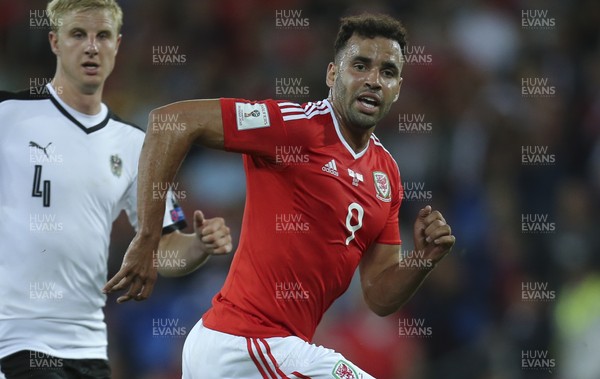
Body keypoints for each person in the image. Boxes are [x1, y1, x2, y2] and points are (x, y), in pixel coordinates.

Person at [105, 13, 455, 379]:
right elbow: (169, 123)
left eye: (387, 72)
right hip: (244, 342)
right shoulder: (296, 127)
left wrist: (423, 260)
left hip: (265, 351)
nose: (373, 80)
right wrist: (147, 237)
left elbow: (379, 295)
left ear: (398, 87)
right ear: (333, 75)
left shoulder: (387, 175)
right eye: (361, 65)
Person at [0, 1, 232, 378]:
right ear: (55, 41)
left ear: (117, 45)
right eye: (78, 35)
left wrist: (197, 245)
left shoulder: (135, 145)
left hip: (90, 350)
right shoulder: (8, 115)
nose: (92, 46)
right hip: (14, 341)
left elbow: (160, 251)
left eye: (103, 36)